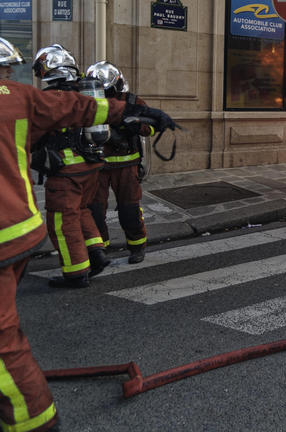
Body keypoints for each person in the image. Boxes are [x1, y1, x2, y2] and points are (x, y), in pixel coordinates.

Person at [0, 36, 174, 432]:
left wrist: (134, 117)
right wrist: (129, 113)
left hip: (92, 172)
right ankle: (98, 252)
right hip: (87, 174)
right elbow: (81, 111)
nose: (12, 76)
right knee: (86, 215)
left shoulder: (35, 96)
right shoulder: (36, 97)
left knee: (77, 218)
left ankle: (93, 263)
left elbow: (83, 117)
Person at [31, 45, 111, 289]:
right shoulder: (83, 92)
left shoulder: (52, 98)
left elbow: (36, 132)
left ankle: (75, 273)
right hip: (90, 166)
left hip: (66, 170)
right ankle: (97, 252)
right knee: (82, 211)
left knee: (62, 221)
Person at [86, 62, 153, 263]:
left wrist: (133, 125)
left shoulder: (133, 101)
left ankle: (137, 247)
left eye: (107, 89)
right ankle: (100, 249)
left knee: (129, 209)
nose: (104, 94)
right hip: (96, 166)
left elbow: (151, 128)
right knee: (95, 211)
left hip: (126, 165)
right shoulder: (88, 101)